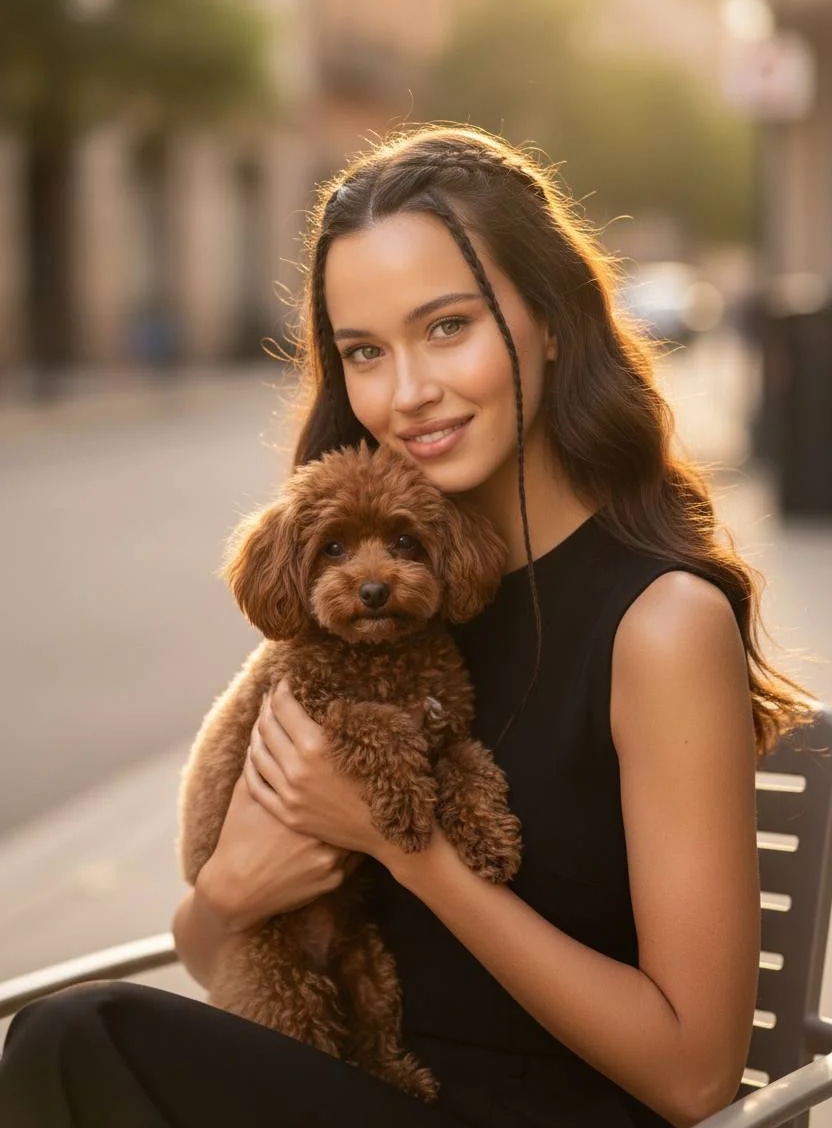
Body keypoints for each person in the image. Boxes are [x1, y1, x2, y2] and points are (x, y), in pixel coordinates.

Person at [0, 125, 814, 1128]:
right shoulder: (376, 613)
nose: (407, 391)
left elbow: (692, 1074)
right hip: (365, 1086)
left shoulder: (659, 622)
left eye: (445, 327)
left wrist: (404, 845)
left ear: (550, 320)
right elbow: (223, 957)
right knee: (72, 1039)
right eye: (363, 353)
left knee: (76, 1042)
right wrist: (234, 890)